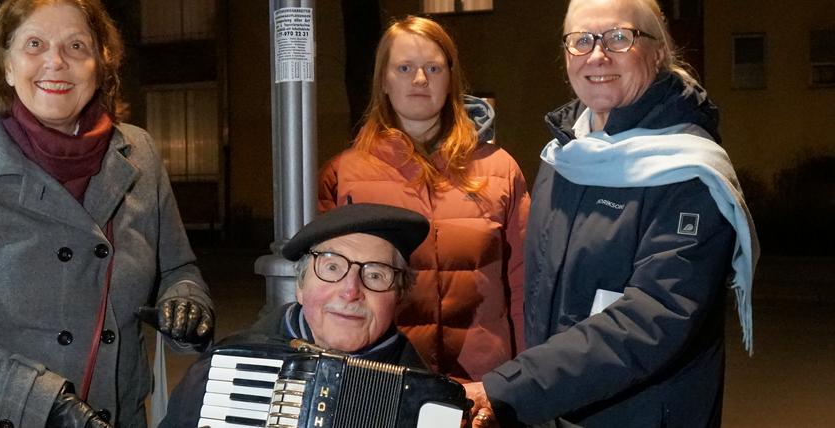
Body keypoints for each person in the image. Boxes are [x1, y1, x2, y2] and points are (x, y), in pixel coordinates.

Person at [0, 1, 214, 426]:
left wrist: (187, 300)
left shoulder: (139, 153)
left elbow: (178, 267)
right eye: (34, 44)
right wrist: (46, 404)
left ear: (100, 65)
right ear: (7, 66)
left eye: (76, 45)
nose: (55, 62)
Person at [464, 0, 760, 426]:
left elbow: (653, 318)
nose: (597, 55)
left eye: (619, 38)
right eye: (581, 41)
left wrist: (511, 387)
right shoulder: (564, 158)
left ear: (657, 52)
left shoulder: (688, 170)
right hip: (558, 407)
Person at [318, 16, 530, 383]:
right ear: (384, 80)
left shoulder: (500, 169)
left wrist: (523, 381)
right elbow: (327, 291)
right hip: (381, 382)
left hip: (480, 386)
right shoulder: (344, 174)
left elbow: (524, 285)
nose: (420, 79)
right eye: (404, 68)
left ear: (451, 78)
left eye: (433, 67)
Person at [161, 203, 430, 428]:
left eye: (375, 274)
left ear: (399, 295)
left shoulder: (425, 396)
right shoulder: (224, 373)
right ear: (300, 286)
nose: (351, 291)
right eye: (332, 267)